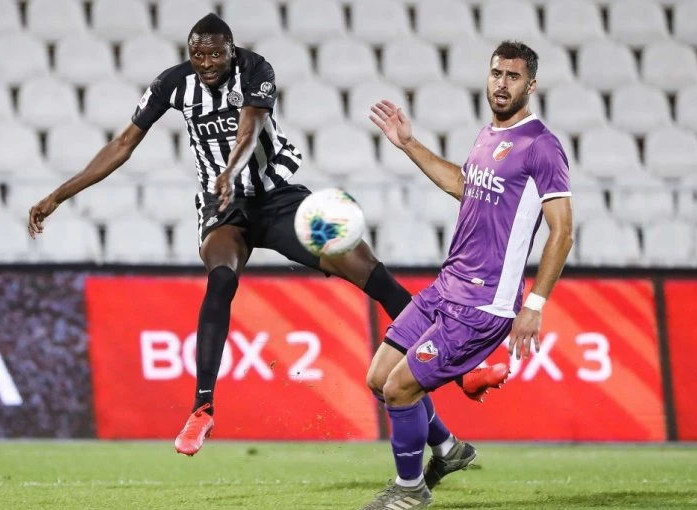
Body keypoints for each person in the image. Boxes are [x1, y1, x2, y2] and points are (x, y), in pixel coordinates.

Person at [26, 13, 502, 457]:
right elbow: (122, 144)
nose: (206, 63)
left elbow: (251, 128)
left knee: (371, 273)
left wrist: (231, 170)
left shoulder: (255, 69)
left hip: (278, 199)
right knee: (221, 279)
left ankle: (463, 371)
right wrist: (58, 196)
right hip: (224, 207)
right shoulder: (173, 83)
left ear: (230, 50)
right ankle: (202, 409)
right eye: (198, 54)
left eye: (215, 54)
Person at [361, 40, 574, 509]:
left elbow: (562, 231)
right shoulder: (487, 135)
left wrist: (534, 305)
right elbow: (464, 185)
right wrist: (409, 144)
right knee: (379, 378)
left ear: (531, 86)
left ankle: (410, 491)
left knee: (399, 389)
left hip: (483, 303)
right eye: (497, 73)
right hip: (446, 287)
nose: (502, 84)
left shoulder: (541, 146)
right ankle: (447, 449)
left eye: (513, 76)